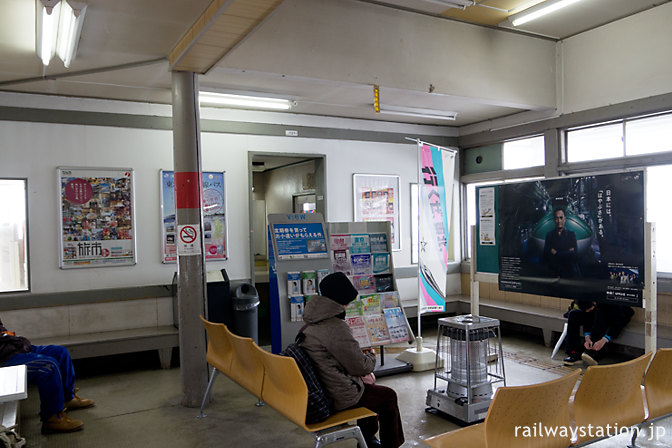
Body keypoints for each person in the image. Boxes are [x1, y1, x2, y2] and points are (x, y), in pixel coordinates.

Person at [301, 272, 404, 448]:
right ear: (341, 300)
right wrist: (371, 354)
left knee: (370, 389)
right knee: (387, 397)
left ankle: (368, 440)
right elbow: (361, 366)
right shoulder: (335, 327)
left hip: (320, 389)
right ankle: (390, 445)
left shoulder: (311, 321)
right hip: (337, 395)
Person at [0, 318, 94, 433]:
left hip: (12, 349)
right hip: (4, 359)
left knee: (60, 352)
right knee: (47, 366)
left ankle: (67, 398)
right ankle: (52, 419)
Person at [563, 300, 634, 366]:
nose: (587, 311)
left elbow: (620, 322)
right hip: (597, 310)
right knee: (573, 314)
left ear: (594, 303)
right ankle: (574, 352)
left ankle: (595, 353)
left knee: (600, 315)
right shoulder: (586, 299)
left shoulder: (612, 305)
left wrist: (604, 339)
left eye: (589, 309)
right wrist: (587, 337)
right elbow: (586, 316)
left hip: (615, 315)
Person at [543, 207, 580, 278]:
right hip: (553, 273)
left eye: (561, 218)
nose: (559, 221)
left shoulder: (571, 235)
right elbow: (546, 255)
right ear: (554, 220)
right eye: (556, 218)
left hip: (568, 273)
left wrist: (556, 253)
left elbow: (575, 255)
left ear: (565, 219)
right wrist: (567, 252)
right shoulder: (549, 235)